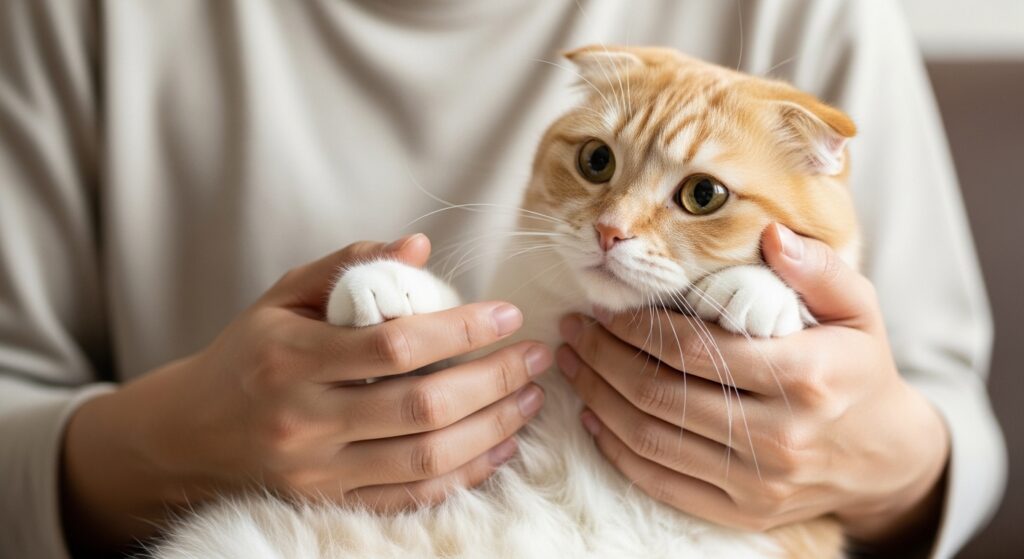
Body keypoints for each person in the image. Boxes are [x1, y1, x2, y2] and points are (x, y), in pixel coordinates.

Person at [0, 1, 1005, 558]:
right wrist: (166, 443)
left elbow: (949, 405)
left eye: (692, 194)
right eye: (599, 167)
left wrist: (888, 459)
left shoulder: (809, 16)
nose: (614, 226)